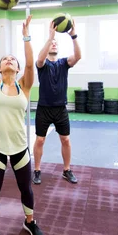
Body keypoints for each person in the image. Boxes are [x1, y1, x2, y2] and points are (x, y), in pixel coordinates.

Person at [0, 13, 44, 235]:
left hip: (20, 148)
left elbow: (31, 64)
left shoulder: (24, 86)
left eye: (12, 59)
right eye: (4, 59)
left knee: (25, 188)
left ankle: (29, 221)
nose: (9, 60)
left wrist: (26, 36)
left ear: (17, 69)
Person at [32, 20, 82, 185]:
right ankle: (37, 170)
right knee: (40, 140)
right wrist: (50, 37)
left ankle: (67, 170)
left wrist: (73, 35)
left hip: (61, 109)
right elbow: (39, 58)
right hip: (44, 109)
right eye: (51, 43)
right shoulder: (42, 64)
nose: (53, 44)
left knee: (65, 140)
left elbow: (78, 57)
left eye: (55, 43)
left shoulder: (63, 63)